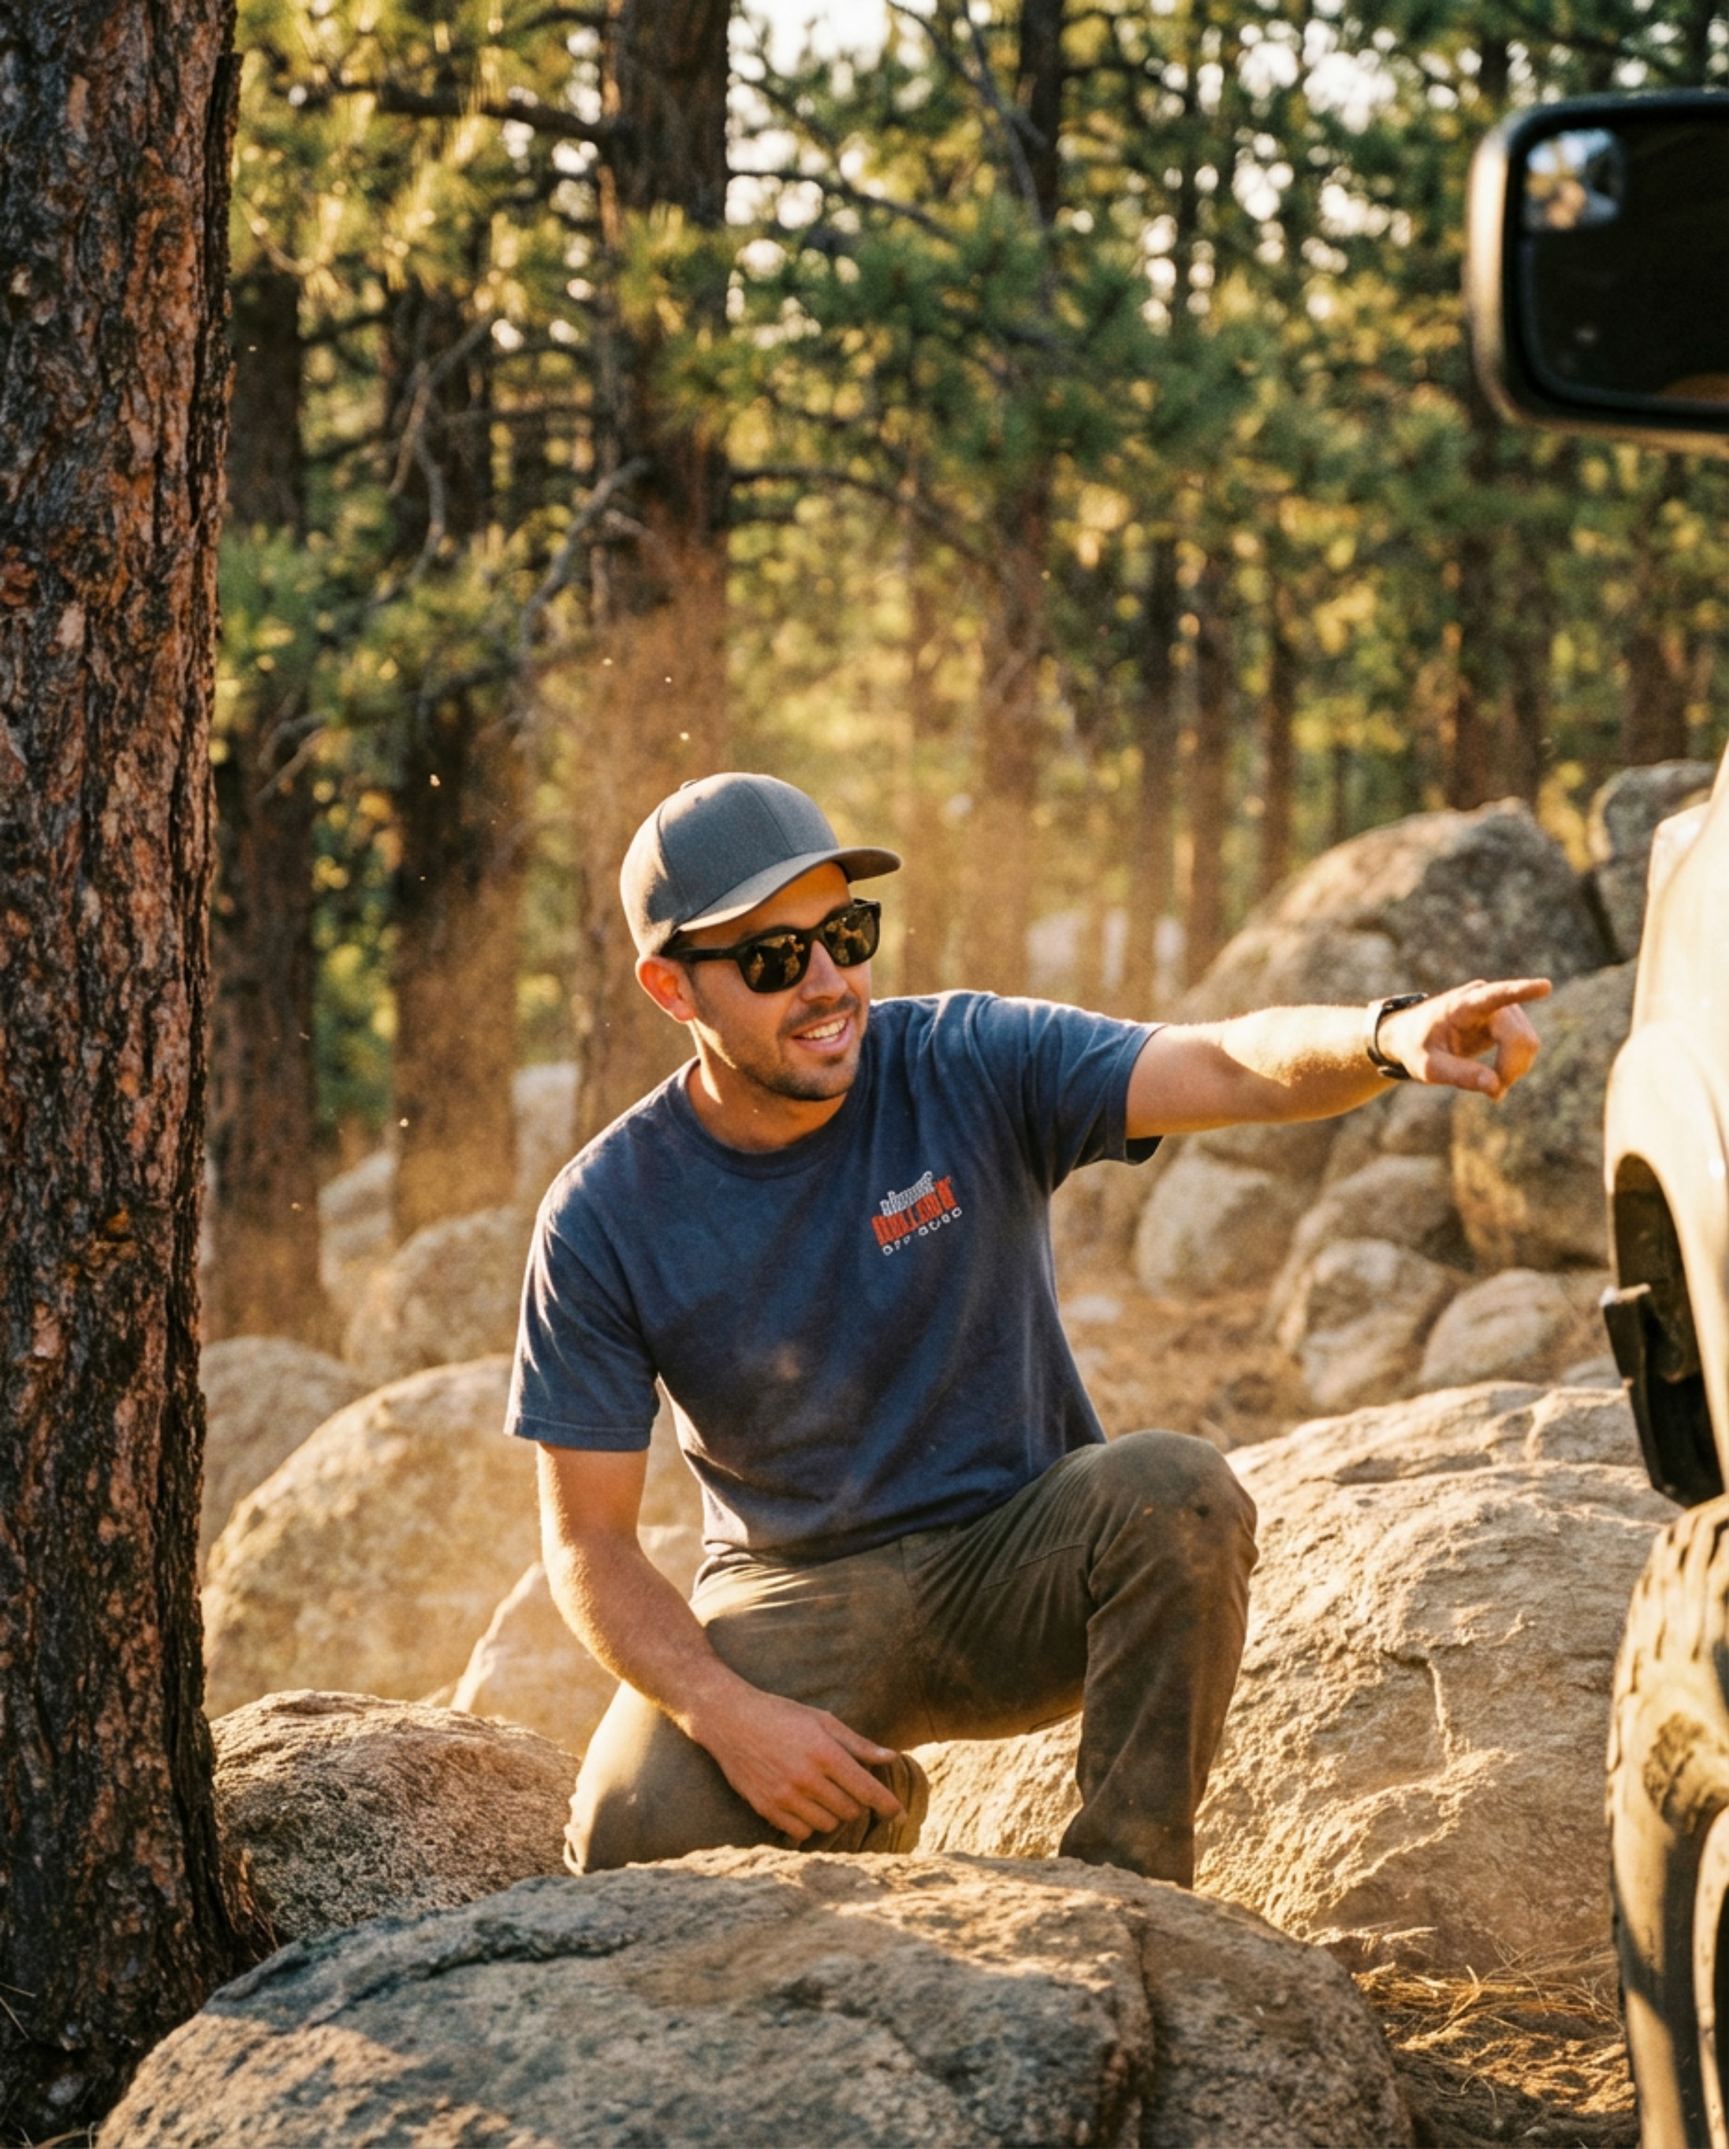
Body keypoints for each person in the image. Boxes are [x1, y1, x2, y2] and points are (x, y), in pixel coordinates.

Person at [506, 771, 1548, 1881]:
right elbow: (589, 1543)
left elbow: (1222, 1062)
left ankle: (1131, 1894)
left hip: (1021, 1562)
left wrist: (1386, 1034)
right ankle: (860, 1810)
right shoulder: (602, 1213)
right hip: (797, 1596)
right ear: (671, 987)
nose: (826, 982)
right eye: (771, 958)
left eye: (846, 935)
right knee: (624, 1834)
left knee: (1174, 1489)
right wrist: (725, 1712)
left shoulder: (965, 1058)